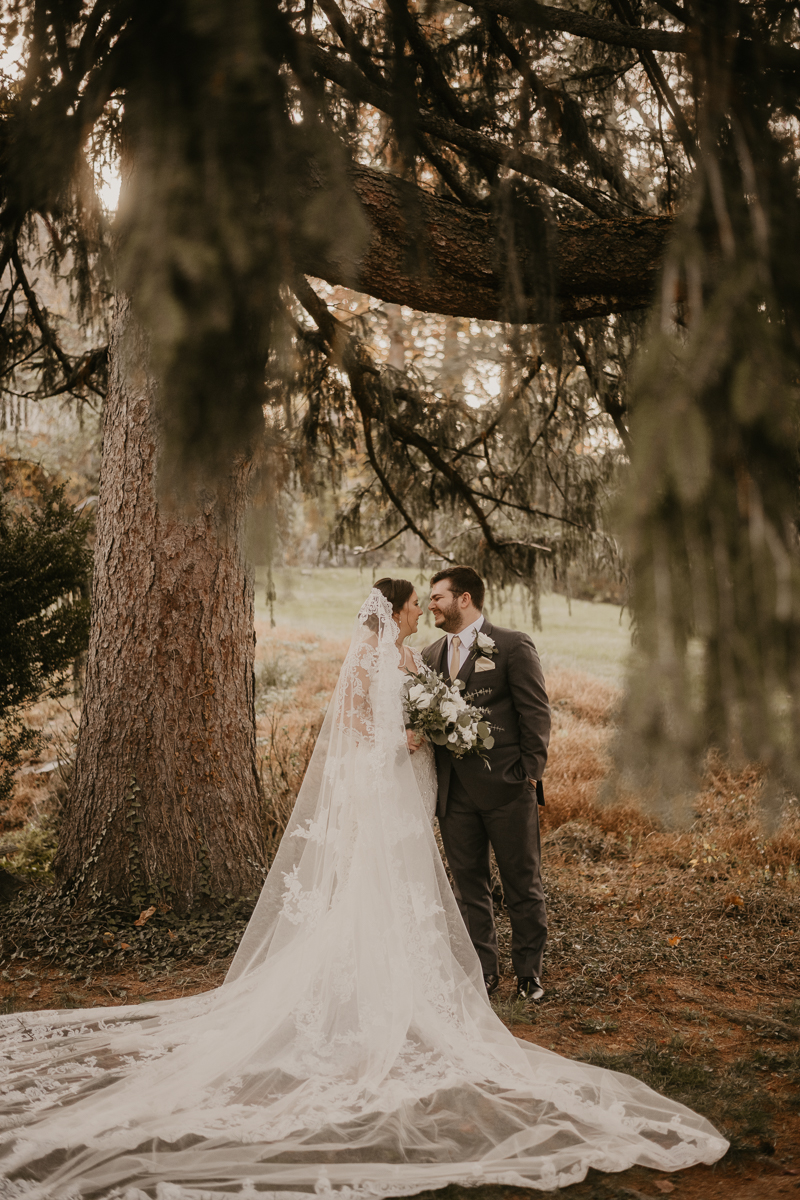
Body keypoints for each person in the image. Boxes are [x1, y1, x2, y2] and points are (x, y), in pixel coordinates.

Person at [0, 585, 727, 1198]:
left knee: (423, 881)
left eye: (431, 599)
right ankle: (373, 990)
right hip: (385, 782)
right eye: (417, 602)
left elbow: (472, 712)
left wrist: (448, 740)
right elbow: (353, 724)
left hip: (425, 790)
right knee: (387, 881)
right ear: (397, 611)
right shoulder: (389, 657)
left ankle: (475, 974)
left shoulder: (423, 654)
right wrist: (403, 740)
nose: (422, 609)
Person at [423, 566, 550, 1002]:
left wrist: (529, 774)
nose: (430, 604)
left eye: (437, 596)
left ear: (464, 599)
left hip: (508, 790)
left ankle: (529, 973)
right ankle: (483, 971)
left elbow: (536, 712)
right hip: (454, 795)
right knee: (469, 887)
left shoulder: (512, 645)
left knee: (522, 883)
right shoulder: (429, 655)